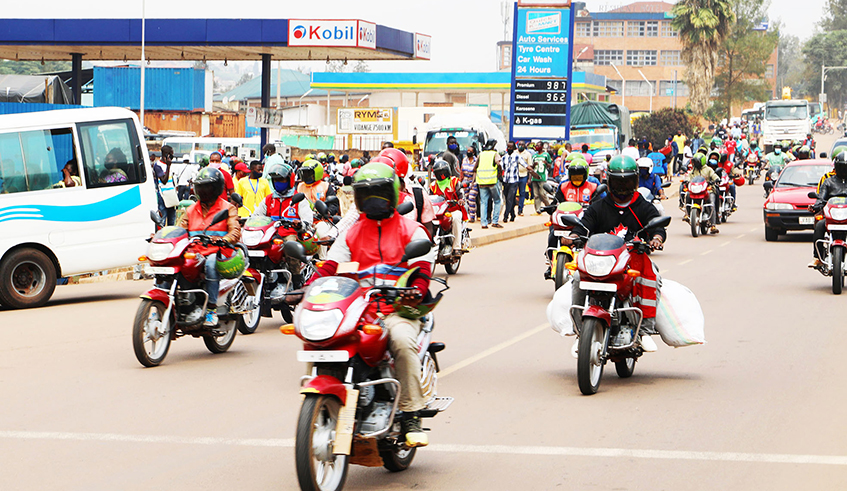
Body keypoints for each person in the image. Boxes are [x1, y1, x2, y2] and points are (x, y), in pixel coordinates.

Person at [309, 162, 436, 447]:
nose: (372, 199)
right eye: (366, 194)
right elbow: (331, 264)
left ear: (391, 194)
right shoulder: (352, 232)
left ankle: (411, 414)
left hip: (398, 307)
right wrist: (310, 287)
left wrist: (415, 291)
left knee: (402, 341)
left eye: (378, 192)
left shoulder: (410, 229)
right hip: (359, 308)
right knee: (328, 340)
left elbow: (422, 270)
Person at [562, 155, 665, 352]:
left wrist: (656, 239)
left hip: (633, 258)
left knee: (653, 277)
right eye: (618, 182)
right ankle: (581, 332)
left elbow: (656, 226)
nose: (622, 188)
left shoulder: (642, 206)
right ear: (609, 182)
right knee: (576, 278)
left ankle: (644, 331)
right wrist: (574, 235)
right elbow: (584, 224)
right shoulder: (599, 206)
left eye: (627, 182)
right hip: (600, 260)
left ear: (635, 182)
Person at [175, 167, 241, 326]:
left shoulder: (227, 208)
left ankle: (212, 309)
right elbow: (179, 230)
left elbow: (235, 232)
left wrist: (224, 239)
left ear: (217, 188)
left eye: (207, 187)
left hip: (218, 250)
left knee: (211, 264)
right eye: (200, 187)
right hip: (196, 250)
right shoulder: (191, 209)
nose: (202, 191)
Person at [252, 161, 314, 287]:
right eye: (275, 180)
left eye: (281, 179)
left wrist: (299, 224)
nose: (278, 182)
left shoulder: (298, 199)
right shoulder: (269, 199)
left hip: (289, 234)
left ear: (290, 180)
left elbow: (308, 220)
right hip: (270, 236)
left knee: (291, 247)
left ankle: (297, 280)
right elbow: (256, 216)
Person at [809, 150, 847, 269]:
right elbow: (821, 197)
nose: (844, 170)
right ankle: (818, 258)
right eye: (842, 167)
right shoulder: (828, 181)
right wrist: (816, 206)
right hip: (832, 216)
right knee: (819, 225)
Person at [430, 159, 465, 254]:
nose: (441, 174)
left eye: (443, 172)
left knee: (457, 217)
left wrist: (461, 200)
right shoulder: (433, 185)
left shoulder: (454, 182)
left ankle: (457, 247)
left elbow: (460, 193)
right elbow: (429, 197)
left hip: (452, 210)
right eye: (439, 172)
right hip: (438, 212)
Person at [683, 153, 721, 234]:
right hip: (695, 190)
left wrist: (716, 179)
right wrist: (686, 180)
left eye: (696, 162)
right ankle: (687, 214)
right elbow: (688, 176)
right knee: (687, 195)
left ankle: (713, 225)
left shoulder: (708, 169)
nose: (695, 164)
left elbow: (714, 176)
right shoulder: (693, 170)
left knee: (712, 202)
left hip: (707, 190)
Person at [474, 139, 503, 229]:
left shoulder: (481, 155)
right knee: (497, 201)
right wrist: (500, 173)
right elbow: (499, 164)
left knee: (483, 202)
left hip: (481, 182)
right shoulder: (495, 154)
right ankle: (494, 221)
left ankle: (484, 223)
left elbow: (475, 168)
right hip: (492, 182)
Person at [500, 141, 523, 222]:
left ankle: (505, 216)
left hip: (514, 181)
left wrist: (532, 170)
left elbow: (525, 165)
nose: (509, 149)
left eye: (511, 147)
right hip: (506, 181)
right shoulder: (504, 157)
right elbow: (501, 168)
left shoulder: (517, 157)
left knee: (509, 198)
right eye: (508, 147)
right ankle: (512, 214)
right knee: (509, 199)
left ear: (514, 148)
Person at [153, 145, 176, 226]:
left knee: (172, 220)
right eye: (171, 155)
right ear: (167, 155)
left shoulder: (170, 165)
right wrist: (168, 166)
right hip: (163, 195)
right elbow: (164, 181)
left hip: (171, 194)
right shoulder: (158, 165)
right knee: (162, 220)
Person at [530, 142, 552, 215]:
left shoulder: (546, 155)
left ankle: (549, 207)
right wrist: (533, 165)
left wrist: (546, 163)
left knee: (542, 193)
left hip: (542, 177)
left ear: (542, 146)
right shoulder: (534, 156)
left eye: (538, 145)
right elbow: (531, 167)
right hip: (534, 177)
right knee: (536, 195)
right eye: (536, 145)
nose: (537, 146)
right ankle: (538, 209)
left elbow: (550, 165)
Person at [460, 146, 479, 223]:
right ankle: (466, 216)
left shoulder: (476, 160)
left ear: (473, 152)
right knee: (465, 199)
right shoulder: (464, 160)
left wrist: (473, 182)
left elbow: (476, 172)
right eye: (467, 150)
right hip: (465, 182)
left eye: (470, 151)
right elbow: (462, 171)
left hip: (473, 182)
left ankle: (472, 216)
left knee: (471, 198)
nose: (468, 152)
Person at [517, 141, 532, 215]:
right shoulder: (514, 153)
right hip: (514, 176)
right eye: (519, 144)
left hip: (524, 175)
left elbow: (530, 167)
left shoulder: (528, 154)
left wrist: (529, 179)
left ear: (524, 146)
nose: (520, 146)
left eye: (522, 145)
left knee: (522, 193)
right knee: (512, 193)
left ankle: (520, 209)